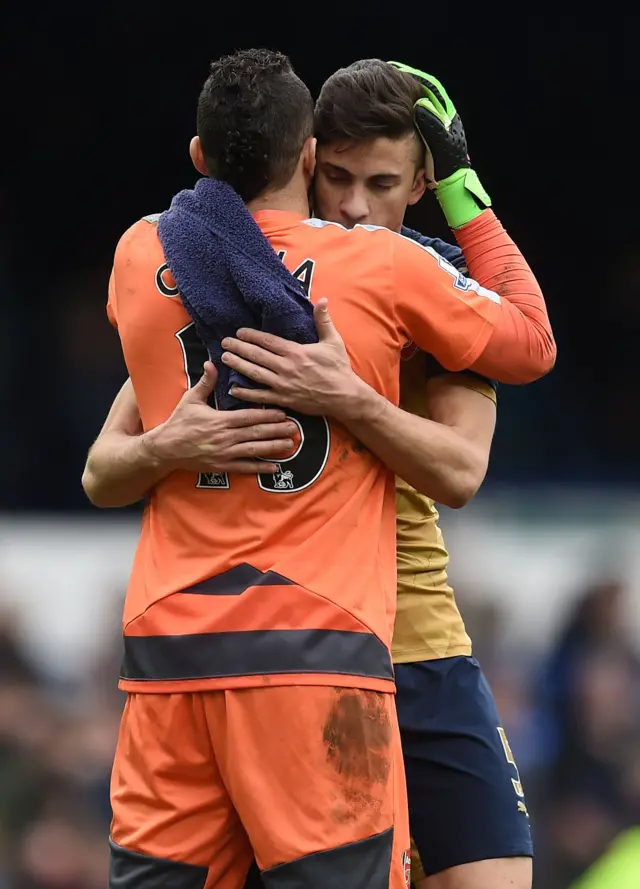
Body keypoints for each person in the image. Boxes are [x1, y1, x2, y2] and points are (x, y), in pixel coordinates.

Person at [87, 49, 554, 889]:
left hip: (412, 641)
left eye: (380, 183)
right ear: (306, 159)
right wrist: (167, 444)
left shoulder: (435, 286)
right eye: (335, 176)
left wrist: (351, 397)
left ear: (421, 187)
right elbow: (106, 461)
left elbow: (460, 470)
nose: (351, 204)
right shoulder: (250, 281)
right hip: (321, 651)